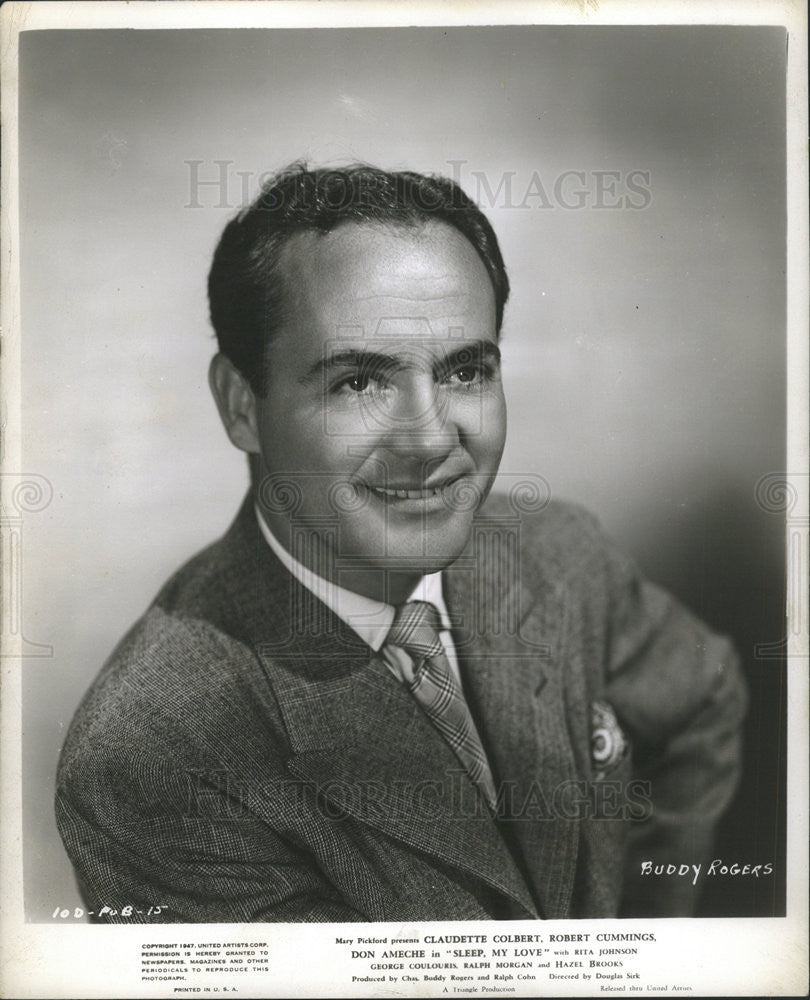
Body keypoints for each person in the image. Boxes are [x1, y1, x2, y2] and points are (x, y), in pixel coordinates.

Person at [55, 164, 747, 923]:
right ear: (241, 405)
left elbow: (703, 701)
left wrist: (649, 945)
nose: (428, 437)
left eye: (465, 371)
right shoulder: (153, 756)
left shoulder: (560, 551)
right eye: (359, 382)